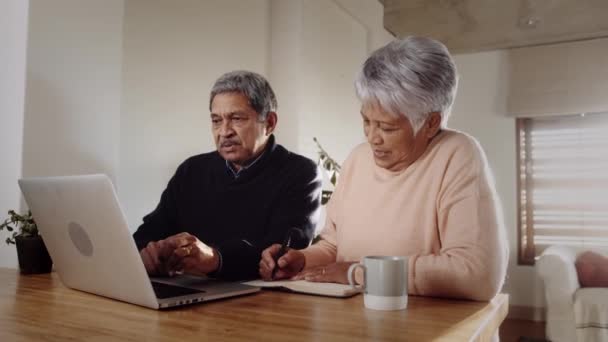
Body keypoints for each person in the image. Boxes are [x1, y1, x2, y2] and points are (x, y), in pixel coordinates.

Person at [259, 37, 509, 301]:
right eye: (366, 121)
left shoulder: (458, 154)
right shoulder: (358, 158)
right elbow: (335, 246)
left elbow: (477, 274)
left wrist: (360, 273)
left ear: (431, 123)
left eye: (387, 128)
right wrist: (302, 260)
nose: (372, 137)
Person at [134, 70, 322, 281]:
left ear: (269, 123)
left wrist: (215, 259)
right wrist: (149, 253)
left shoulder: (300, 173)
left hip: (260, 301)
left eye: (237, 119)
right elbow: (147, 234)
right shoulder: (192, 170)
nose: (224, 132)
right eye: (216, 121)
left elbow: (281, 256)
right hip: (187, 292)